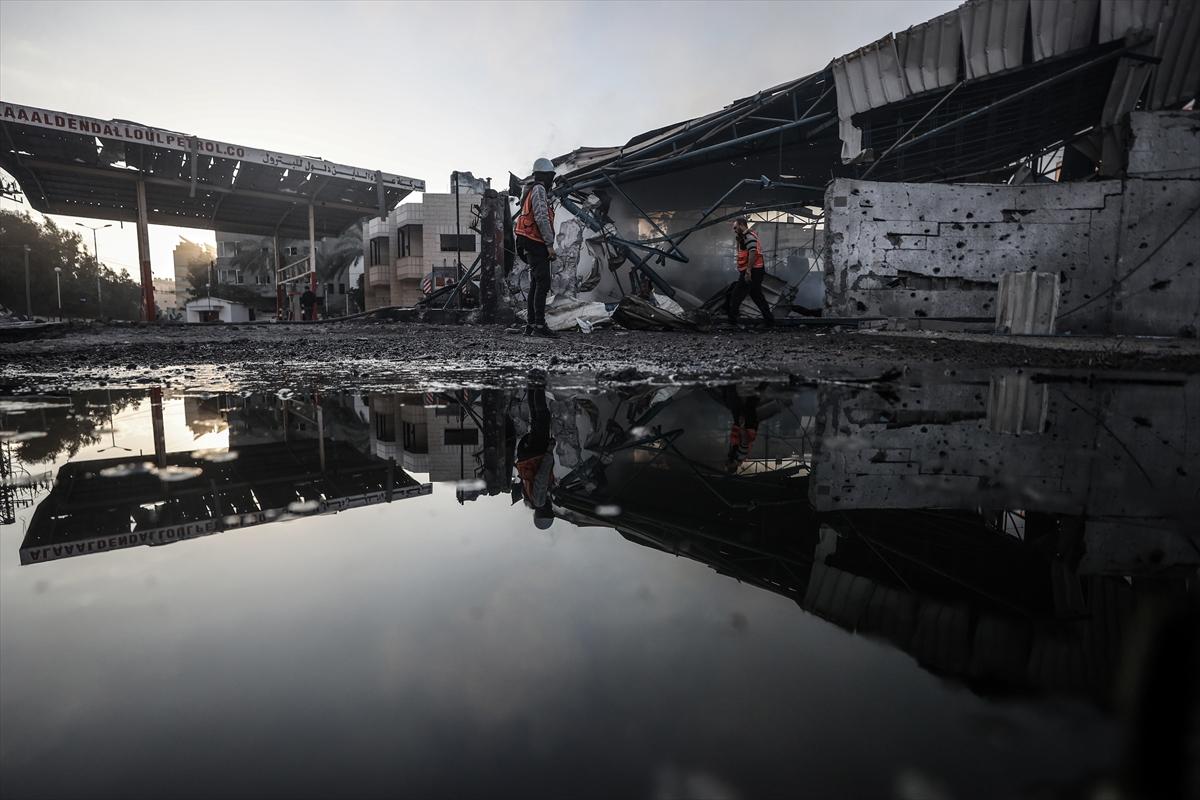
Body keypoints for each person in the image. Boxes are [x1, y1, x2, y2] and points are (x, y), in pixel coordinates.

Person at [514, 157, 559, 338]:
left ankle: (531, 325)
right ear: (546, 175)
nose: (552, 181)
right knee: (543, 283)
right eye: (551, 177)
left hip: (526, 241)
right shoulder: (539, 189)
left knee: (535, 283)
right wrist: (549, 244)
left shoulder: (530, 191)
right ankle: (539, 325)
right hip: (535, 241)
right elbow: (541, 216)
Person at [513, 374, 556, 529]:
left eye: (550, 512)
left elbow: (542, 476)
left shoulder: (539, 500)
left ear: (545, 513)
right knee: (536, 418)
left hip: (537, 454)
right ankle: (532, 383)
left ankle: (538, 382)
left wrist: (550, 451)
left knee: (543, 416)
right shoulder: (530, 498)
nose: (551, 508)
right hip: (528, 455)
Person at [729, 218, 774, 327]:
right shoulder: (745, 236)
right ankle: (769, 321)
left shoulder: (748, 237)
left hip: (753, 271)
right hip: (755, 270)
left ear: (741, 225)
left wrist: (748, 270)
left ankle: (732, 322)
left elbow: (753, 253)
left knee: (736, 295)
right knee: (756, 295)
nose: (734, 230)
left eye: (735, 227)